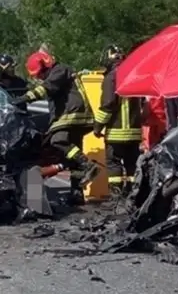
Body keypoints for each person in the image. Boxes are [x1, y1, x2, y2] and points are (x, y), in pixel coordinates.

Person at [12, 51, 100, 199]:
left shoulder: (60, 70)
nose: (40, 78)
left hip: (72, 115)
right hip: (72, 116)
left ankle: (88, 165)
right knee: (72, 157)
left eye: (40, 74)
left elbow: (47, 88)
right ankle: (76, 194)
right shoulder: (58, 72)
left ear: (46, 66)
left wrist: (24, 98)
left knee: (58, 140)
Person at [93, 44, 143, 198]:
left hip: (116, 132)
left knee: (114, 163)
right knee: (132, 164)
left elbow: (108, 104)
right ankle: (134, 196)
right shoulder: (134, 74)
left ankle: (116, 197)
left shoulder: (111, 78)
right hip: (134, 132)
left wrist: (97, 127)